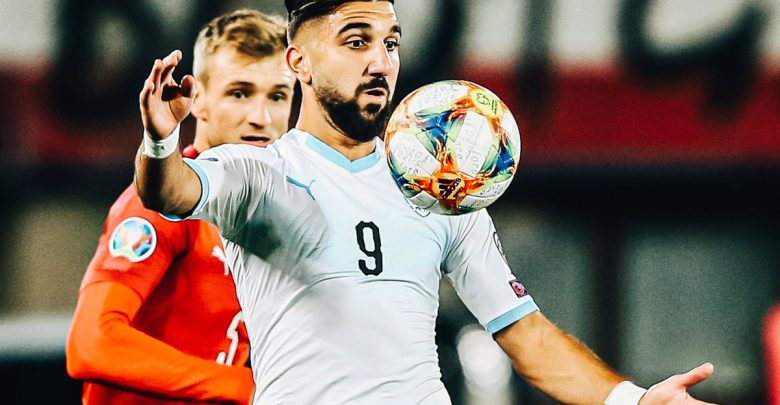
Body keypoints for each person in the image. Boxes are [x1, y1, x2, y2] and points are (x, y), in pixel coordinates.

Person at [133, 1, 716, 404]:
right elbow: (170, 189)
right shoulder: (260, 174)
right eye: (356, 41)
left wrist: (636, 400)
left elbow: (525, 335)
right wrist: (160, 140)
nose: (380, 61)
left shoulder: (441, 185)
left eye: (390, 42)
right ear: (299, 62)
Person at [66, 9, 295, 405]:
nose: (261, 117)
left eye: (277, 96)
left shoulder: (268, 210)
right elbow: (91, 341)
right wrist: (243, 387)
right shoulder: (161, 205)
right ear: (198, 101)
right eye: (239, 93)